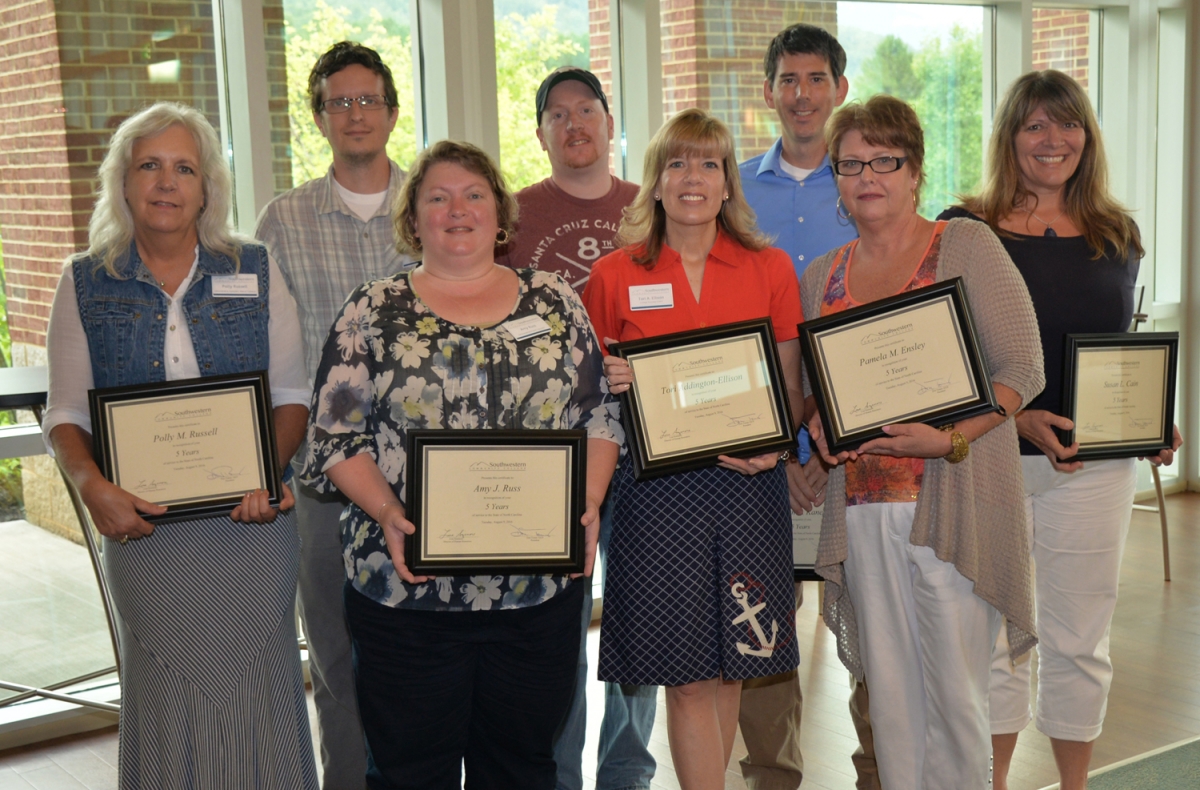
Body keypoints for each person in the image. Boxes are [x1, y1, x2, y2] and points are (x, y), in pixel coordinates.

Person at [299, 139, 622, 789]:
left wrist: (584, 504)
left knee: (523, 770)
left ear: (500, 214)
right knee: (410, 774)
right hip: (406, 589)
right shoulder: (373, 309)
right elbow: (333, 440)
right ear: (413, 218)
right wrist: (389, 512)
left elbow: (597, 416)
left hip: (536, 594)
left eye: (474, 194)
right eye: (437, 197)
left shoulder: (554, 301)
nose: (457, 210)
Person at [43, 102, 316, 788]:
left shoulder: (254, 266)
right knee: (167, 697)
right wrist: (91, 487)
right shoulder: (84, 281)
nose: (166, 182)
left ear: (207, 187)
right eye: (149, 166)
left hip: (252, 531)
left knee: (261, 694)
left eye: (184, 168)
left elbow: (292, 395)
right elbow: (66, 411)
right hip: (148, 539)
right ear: (124, 182)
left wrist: (268, 470)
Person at [938, 69, 1181, 790]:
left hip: (1093, 470)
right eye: (1034, 125)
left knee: (1079, 639)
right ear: (1010, 136)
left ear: (1087, 134)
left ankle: (1074, 786)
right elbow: (948, 354)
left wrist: (1149, 420)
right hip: (988, 456)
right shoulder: (962, 227)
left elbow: (1113, 349)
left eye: (1066, 123)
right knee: (993, 642)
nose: (1053, 139)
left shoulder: (1118, 232)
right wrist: (1021, 413)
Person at [800, 95, 1044, 789]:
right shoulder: (822, 276)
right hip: (864, 512)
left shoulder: (963, 245)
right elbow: (829, 393)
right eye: (851, 164)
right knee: (893, 703)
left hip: (951, 502)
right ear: (836, 180)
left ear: (915, 171)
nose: (867, 176)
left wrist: (951, 442)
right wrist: (821, 421)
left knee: (957, 701)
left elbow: (1023, 367)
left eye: (885, 160)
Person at [583, 108, 803, 790]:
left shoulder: (769, 268)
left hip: (748, 486)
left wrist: (774, 449)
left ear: (729, 183)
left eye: (709, 163)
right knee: (684, 674)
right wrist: (617, 379)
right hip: (656, 495)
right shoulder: (615, 274)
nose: (693, 178)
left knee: (738, 658)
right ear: (654, 182)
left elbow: (790, 387)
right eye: (677, 162)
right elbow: (590, 394)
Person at [255, 41, 412, 788]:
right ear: (318, 118)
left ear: (391, 111)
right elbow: (265, 357)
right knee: (336, 652)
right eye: (339, 102)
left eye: (368, 99)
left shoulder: (435, 206)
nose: (355, 114)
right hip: (321, 479)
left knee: (429, 654)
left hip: (426, 474)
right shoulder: (280, 223)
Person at [496, 66, 651, 790]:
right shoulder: (513, 215)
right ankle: (557, 776)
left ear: (610, 122)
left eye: (587, 109)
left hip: (649, 443)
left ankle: (627, 773)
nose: (575, 123)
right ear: (540, 133)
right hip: (552, 452)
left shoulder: (649, 208)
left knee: (639, 617)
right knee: (560, 626)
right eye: (557, 114)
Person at [737, 24, 876, 790]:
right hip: (760, 446)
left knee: (870, 623)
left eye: (816, 79)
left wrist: (820, 443)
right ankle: (771, 777)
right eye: (788, 80)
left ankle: (879, 770)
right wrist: (787, 440)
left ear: (839, 89)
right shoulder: (735, 190)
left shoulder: (865, 181)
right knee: (762, 627)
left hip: (856, 443)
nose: (802, 94)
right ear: (768, 92)